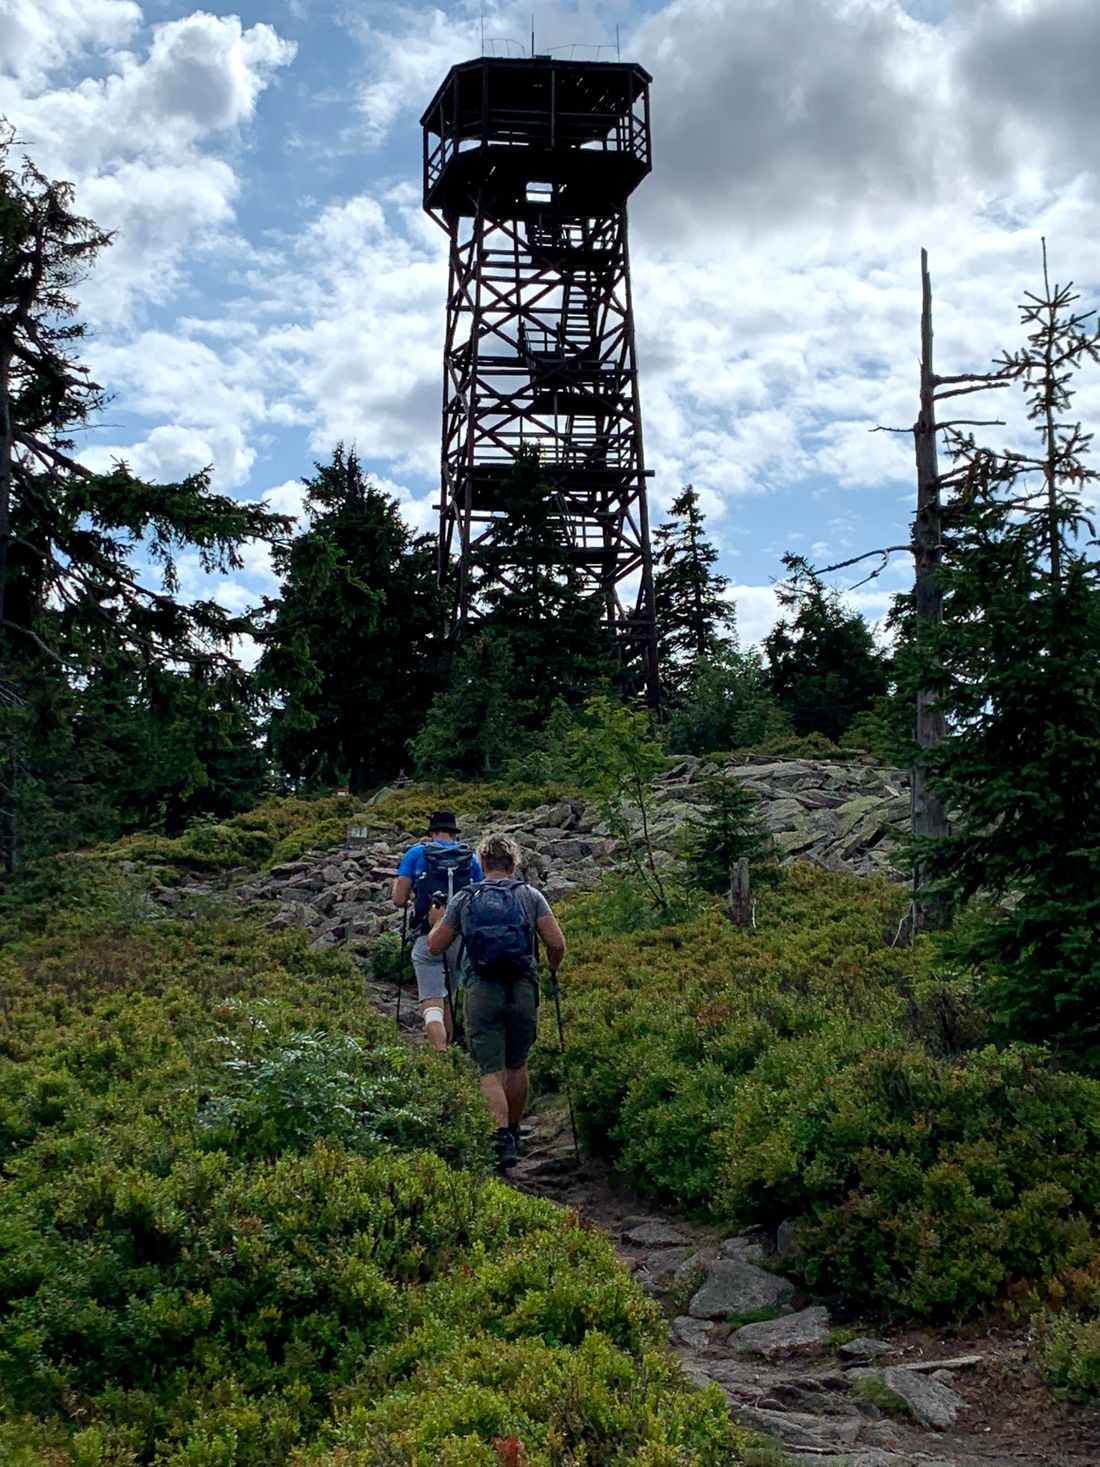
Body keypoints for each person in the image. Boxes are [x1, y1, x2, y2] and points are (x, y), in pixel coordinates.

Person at [428, 831, 565, 1169]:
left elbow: (436, 946)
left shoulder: (465, 897)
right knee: (517, 1062)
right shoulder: (530, 895)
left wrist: (435, 923)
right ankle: (515, 1132)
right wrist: (550, 967)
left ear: (482, 863)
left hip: (481, 988)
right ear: (514, 863)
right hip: (521, 987)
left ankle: (500, 1139)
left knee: (489, 1068)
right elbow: (556, 942)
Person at [391, 810, 482, 1052]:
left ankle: (440, 1052)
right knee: (448, 999)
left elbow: (399, 900)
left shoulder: (415, 854)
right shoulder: (471, 859)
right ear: (454, 832)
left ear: (431, 832)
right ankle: (450, 1050)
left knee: (432, 1001)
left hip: (428, 936)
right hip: (461, 940)